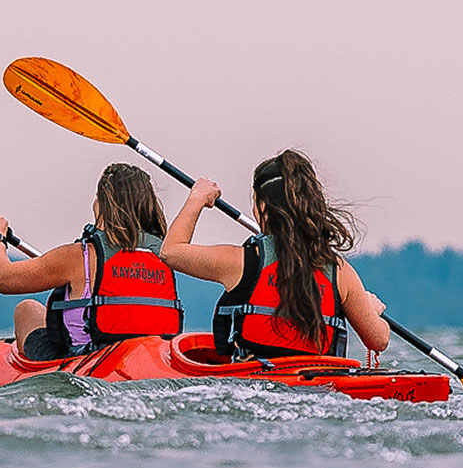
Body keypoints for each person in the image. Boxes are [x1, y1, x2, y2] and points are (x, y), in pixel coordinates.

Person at [160, 150, 390, 361]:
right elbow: (378, 340)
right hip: (318, 389)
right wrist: (370, 311)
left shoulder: (241, 262)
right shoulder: (339, 271)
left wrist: (197, 198)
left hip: (254, 386)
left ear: (261, 207)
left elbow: (170, 252)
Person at [0, 163, 183, 361]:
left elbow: (1, 278)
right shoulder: (166, 255)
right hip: (151, 359)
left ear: (101, 203)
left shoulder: (80, 255)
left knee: (27, 309)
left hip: (86, 360)